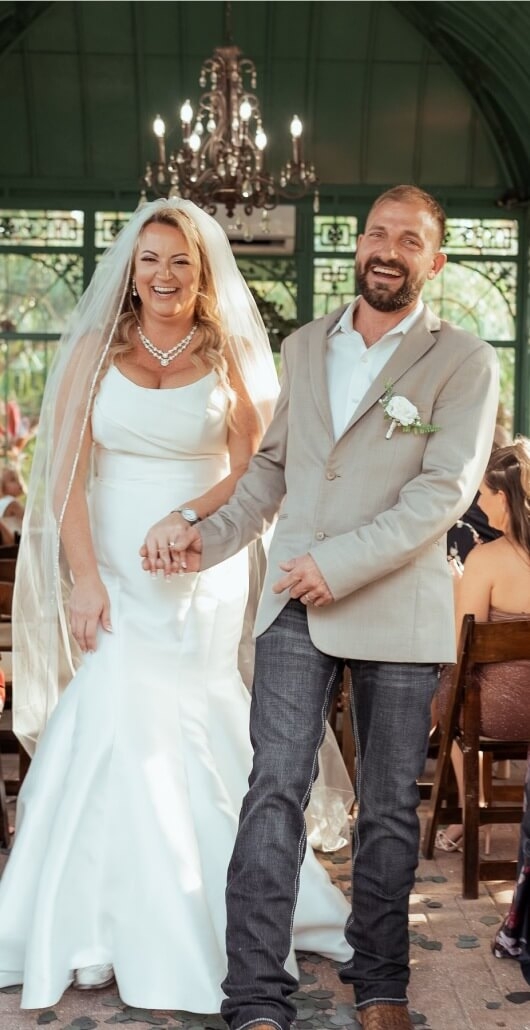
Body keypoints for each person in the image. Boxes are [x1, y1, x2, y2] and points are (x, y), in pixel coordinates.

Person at [143, 185, 500, 1030]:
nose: (388, 249)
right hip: (293, 607)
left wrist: (333, 566)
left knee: (387, 808)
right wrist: (208, 536)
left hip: (397, 609)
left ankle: (382, 984)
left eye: (409, 239)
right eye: (377, 233)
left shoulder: (465, 360)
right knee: (273, 790)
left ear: (435, 261)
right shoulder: (305, 345)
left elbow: (442, 493)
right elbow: (271, 469)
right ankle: (254, 996)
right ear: (358, 243)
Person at [0, 198, 352, 1011]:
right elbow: (65, 479)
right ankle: (92, 921)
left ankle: (228, 912)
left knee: (195, 717)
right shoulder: (93, 353)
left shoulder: (230, 356)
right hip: (114, 570)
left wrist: (190, 517)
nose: (164, 275)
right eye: (151, 260)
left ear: (203, 274)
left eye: (180, 262)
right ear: (132, 271)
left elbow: (257, 471)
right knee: (112, 711)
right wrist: (85, 579)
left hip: (200, 566)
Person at [435, 439, 530, 852]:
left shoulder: (486, 560)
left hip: (497, 715)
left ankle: (468, 810)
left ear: (503, 498)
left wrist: (458, 586)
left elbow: (463, 646)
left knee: (447, 689)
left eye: (482, 494)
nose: (477, 502)